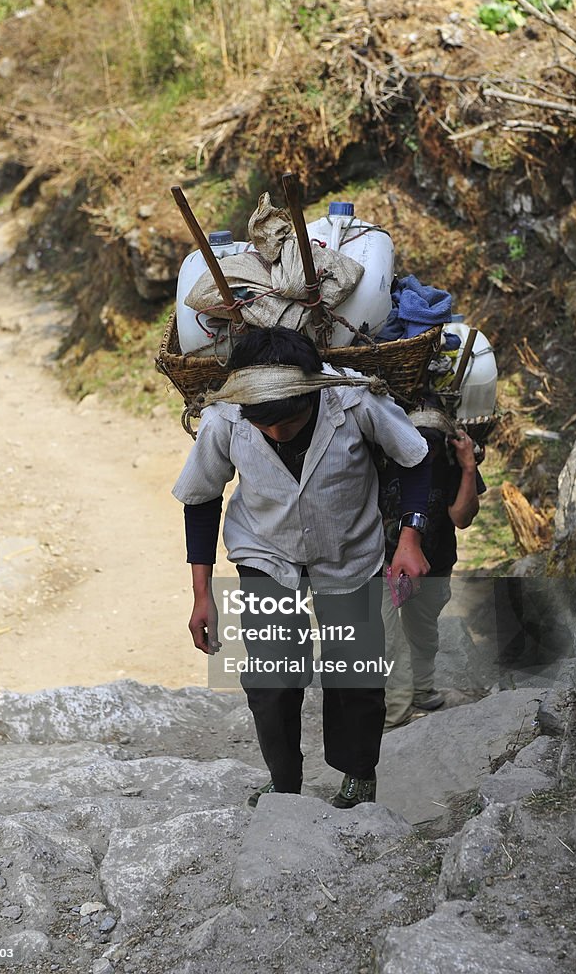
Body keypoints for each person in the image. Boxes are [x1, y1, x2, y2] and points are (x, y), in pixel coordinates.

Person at [172, 326, 431, 808]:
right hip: (266, 552)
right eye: (263, 425)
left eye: (287, 423)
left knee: (354, 673)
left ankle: (358, 774)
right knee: (272, 676)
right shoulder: (225, 417)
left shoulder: (354, 401)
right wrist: (201, 595)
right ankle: (284, 781)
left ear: (313, 394)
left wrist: (410, 539)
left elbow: (414, 459)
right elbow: (201, 500)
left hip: (349, 551)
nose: (275, 433)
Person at [377, 402, 485, 730]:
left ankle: (421, 689)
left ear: (446, 444)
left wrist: (468, 468)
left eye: (433, 445)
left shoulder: (452, 465)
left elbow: (462, 519)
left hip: (434, 563)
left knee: (422, 631)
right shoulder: (385, 458)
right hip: (382, 561)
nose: (425, 451)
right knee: (384, 634)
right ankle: (395, 712)